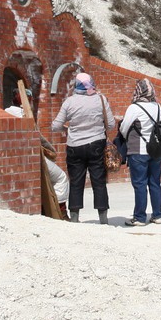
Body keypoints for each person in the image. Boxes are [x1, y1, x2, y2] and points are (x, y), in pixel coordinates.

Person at [49, 72, 114, 224]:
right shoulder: (100, 99)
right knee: (99, 182)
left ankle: (75, 218)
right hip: (97, 144)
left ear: (75, 84)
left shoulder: (69, 102)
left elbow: (55, 126)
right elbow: (110, 124)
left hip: (75, 146)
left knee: (76, 182)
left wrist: (68, 129)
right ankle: (103, 219)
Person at [117, 78, 161, 225]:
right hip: (155, 150)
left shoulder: (134, 107)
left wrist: (126, 138)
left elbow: (124, 127)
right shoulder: (158, 106)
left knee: (139, 184)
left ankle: (139, 217)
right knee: (155, 183)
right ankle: (157, 215)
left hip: (138, 150)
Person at [5, 106, 71, 212]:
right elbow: (41, 140)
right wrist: (52, 152)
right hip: (32, 157)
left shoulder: (5, 125)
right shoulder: (23, 118)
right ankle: (60, 211)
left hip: (17, 160)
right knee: (61, 177)